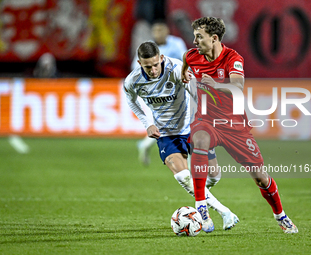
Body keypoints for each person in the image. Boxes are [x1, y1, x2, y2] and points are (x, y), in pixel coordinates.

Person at [181, 17, 298, 234]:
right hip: (206, 119)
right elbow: (186, 62)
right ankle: (201, 207)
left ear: (214, 38)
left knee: (261, 178)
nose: (194, 41)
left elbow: (238, 85)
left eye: (199, 37)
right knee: (199, 139)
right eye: (195, 36)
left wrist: (215, 84)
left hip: (234, 125)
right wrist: (183, 75)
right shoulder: (192, 56)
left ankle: (281, 216)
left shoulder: (233, 58)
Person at [124, 41, 238, 232]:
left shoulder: (176, 68)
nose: (152, 70)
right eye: (147, 66)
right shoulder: (132, 80)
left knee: (213, 176)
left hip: (192, 127)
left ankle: (201, 205)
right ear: (139, 63)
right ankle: (223, 212)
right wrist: (148, 124)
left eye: (155, 64)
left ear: (161, 58)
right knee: (184, 177)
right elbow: (132, 101)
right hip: (166, 133)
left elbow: (196, 92)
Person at [132, 21, 187, 166]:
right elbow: (135, 67)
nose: (158, 33)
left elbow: (185, 63)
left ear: (167, 31)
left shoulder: (176, 44)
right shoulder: (147, 47)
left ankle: (145, 145)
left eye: (161, 30)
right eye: (156, 30)